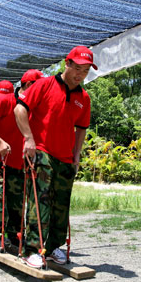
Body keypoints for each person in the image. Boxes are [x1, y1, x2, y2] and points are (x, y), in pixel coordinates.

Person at [14, 46, 97, 268]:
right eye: (77, 68)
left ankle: (52, 248)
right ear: (67, 64)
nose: (80, 74)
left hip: (66, 157)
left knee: (61, 203)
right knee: (39, 201)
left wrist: (77, 154)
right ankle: (32, 249)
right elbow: (20, 109)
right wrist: (28, 139)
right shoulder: (44, 84)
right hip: (41, 150)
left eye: (86, 71)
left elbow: (81, 128)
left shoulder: (84, 98)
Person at [0, 73, 43, 251]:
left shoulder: (34, 107)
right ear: (29, 84)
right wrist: (0, 141)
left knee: (16, 202)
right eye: (39, 87)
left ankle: (13, 235)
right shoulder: (5, 101)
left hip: (18, 161)